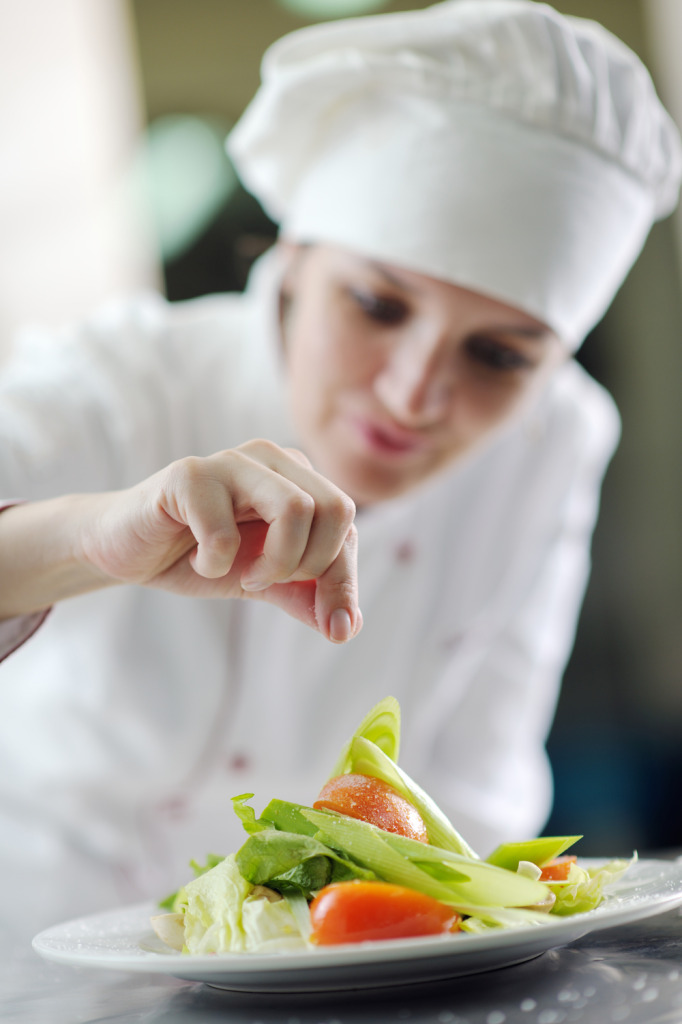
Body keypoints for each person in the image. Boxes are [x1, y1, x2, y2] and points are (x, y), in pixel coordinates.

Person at [1, 0, 680, 940]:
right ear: (290, 258)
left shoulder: (555, 436)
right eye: (375, 303)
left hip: (346, 975)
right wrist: (91, 540)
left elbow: (477, 796)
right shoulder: (121, 382)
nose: (414, 393)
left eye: (499, 356)